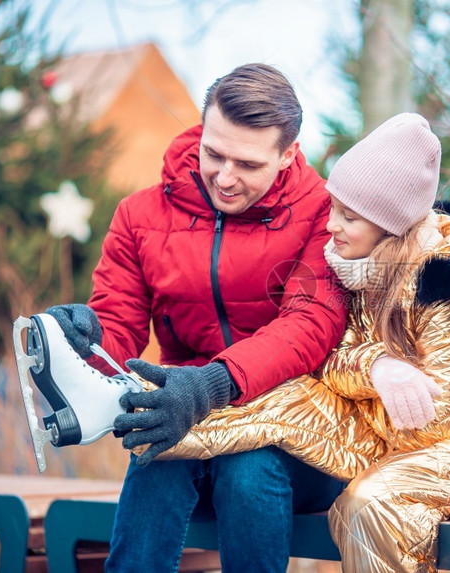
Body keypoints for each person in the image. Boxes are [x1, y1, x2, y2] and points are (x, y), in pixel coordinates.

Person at [136, 112, 450, 572]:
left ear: (389, 225)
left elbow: (437, 418)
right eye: (333, 207)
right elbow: (325, 359)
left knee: (369, 504)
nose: (331, 225)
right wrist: (377, 366)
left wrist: (363, 385)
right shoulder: (352, 270)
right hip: (396, 436)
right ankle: (163, 428)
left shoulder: (446, 290)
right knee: (238, 423)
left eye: (349, 216)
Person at [42, 63, 350, 573]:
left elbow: (309, 324)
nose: (224, 178)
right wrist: (87, 338)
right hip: (185, 422)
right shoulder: (139, 217)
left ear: (288, 154)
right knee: (161, 454)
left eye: (248, 164)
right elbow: (118, 324)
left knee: (247, 467)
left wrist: (212, 383)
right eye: (213, 153)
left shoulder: (326, 215)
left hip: (300, 437)